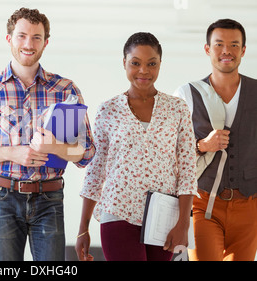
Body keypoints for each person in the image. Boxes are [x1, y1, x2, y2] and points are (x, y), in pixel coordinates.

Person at [0, 7, 95, 261]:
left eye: (36, 37)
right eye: (21, 36)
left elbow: (87, 152)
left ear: (46, 42)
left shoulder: (65, 90)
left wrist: (56, 148)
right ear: (9, 39)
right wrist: (12, 153)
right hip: (3, 197)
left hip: (50, 197)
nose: (28, 44)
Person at [75, 32, 198, 261]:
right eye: (135, 63)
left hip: (163, 217)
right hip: (118, 212)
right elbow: (95, 171)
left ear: (160, 64)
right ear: (124, 63)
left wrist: (183, 223)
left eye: (151, 64)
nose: (144, 71)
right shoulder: (108, 110)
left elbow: (188, 170)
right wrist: (83, 228)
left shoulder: (177, 109)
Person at [174, 19, 257, 261]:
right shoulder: (186, 94)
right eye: (219, 44)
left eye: (234, 44)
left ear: (243, 50)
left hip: (249, 204)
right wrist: (202, 146)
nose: (226, 51)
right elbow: (169, 151)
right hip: (203, 203)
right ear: (207, 49)